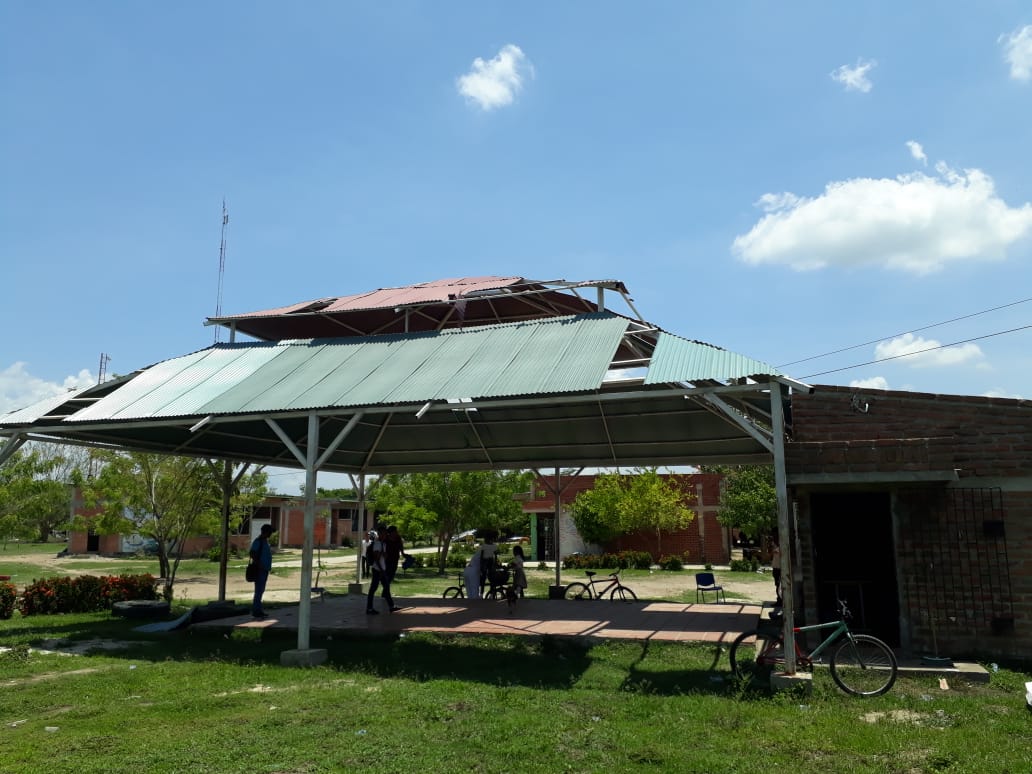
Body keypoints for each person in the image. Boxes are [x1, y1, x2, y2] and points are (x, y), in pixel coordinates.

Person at [365, 530, 399, 615]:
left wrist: (384, 555)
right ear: (379, 534)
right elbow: (376, 558)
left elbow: (382, 557)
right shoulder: (377, 544)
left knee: (386, 588)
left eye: (385, 534)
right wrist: (381, 570)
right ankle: (369, 608)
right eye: (383, 533)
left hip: (382, 569)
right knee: (373, 589)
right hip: (378, 570)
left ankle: (391, 606)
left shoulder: (383, 544)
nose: (385, 535)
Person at [249, 523, 276, 619]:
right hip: (259, 570)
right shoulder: (258, 541)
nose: (271, 534)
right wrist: (259, 564)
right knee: (259, 590)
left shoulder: (265, 542)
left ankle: (259, 610)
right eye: (270, 532)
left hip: (264, 570)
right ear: (266, 532)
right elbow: (252, 553)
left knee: (261, 590)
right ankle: (256, 611)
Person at [381, 525, 410, 607]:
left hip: (394, 560)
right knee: (386, 577)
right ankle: (386, 593)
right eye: (395, 531)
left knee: (390, 577)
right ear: (391, 532)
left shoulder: (398, 538)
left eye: (396, 531)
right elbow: (382, 548)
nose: (396, 533)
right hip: (386, 561)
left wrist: (403, 554)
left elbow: (400, 547)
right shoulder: (385, 539)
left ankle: (385, 592)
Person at [770, 533, 782, 607]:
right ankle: (779, 600)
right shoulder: (776, 547)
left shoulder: (779, 548)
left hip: (779, 569)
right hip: (776, 568)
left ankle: (780, 600)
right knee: (777, 585)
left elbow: (772, 552)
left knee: (779, 585)